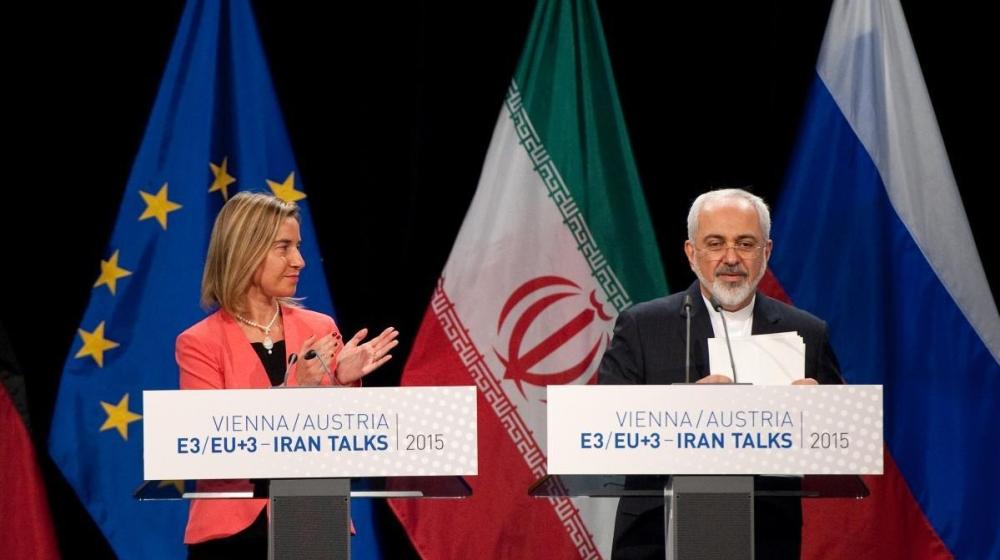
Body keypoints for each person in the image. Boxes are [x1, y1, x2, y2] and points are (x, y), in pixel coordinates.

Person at [598, 188, 842, 559]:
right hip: (655, 536)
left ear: (767, 252)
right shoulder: (642, 325)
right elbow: (602, 427)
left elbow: (844, 439)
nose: (731, 258)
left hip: (765, 537)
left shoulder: (808, 332)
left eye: (745, 243)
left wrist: (819, 415)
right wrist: (683, 414)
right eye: (715, 243)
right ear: (691, 253)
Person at [176, 191, 399, 558]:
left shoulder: (320, 326)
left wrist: (344, 380)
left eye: (297, 246)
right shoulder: (199, 342)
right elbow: (205, 442)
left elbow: (340, 437)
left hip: (312, 516)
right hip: (233, 527)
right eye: (284, 248)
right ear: (246, 250)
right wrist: (291, 389)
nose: (299, 261)